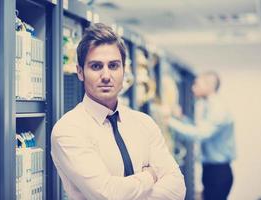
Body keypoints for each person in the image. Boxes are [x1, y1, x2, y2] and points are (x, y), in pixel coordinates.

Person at [51, 23, 186, 200]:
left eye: (113, 66)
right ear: (80, 72)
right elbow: (108, 194)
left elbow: (177, 188)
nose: (106, 76)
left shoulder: (144, 123)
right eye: (96, 66)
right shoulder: (69, 130)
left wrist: (128, 190)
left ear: (124, 70)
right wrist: (151, 175)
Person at [168, 71, 236, 200]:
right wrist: (180, 118)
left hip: (218, 172)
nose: (193, 88)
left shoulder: (218, 109)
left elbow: (200, 134)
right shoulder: (210, 106)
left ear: (209, 86)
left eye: (197, 84)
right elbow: (199, 128)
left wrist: (169, 121)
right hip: (212, 171)